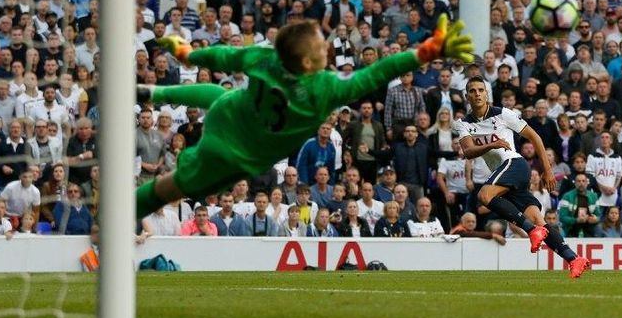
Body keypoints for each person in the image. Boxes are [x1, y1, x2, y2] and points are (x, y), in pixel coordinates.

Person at [135, 15, 474, 217]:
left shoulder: (264, 56)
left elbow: (220, 56)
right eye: (321, 46)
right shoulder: (324, 89)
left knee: (224, 97)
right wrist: (426, 51)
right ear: (310, 64)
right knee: (169, 189)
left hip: (229, 116)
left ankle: (158, 93)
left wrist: (185, 52)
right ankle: (114, 218)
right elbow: (378, 72)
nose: (326, 46)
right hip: (234, 156)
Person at [455, 75, 590, 278]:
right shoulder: (463, 123)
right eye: (472, 91)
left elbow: (534, 136)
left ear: (486, 93)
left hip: (515, 165)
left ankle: (529, 230)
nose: (477, 94)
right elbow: (468, 151)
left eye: (481, 90)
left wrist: (547, 169)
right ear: (467, 96)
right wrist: (492, 144)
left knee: (484, 195)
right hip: (503, 175)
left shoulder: (503, 114)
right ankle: (574, 258)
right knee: (539, 220)